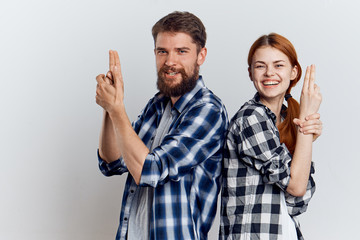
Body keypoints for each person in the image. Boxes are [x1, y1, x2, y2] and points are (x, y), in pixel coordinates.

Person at [95, 11, 228, 240]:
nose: (170, 62)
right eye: (162, 51)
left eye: (181, 51)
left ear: (201, 55)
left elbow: (151, 170)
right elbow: (112, 162)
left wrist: (118, 109)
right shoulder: (156, 106)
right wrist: (110, 108)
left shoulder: (208, 110)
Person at [219, 33, 322, 240]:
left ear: (293, 72)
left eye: (278, 65)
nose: (269, 73)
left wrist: (304, 136)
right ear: (250, 73)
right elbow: (296, 185)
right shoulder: (250, 118)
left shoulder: (286, 120)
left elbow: (296, 202)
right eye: (260, 66)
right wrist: (306, 127)